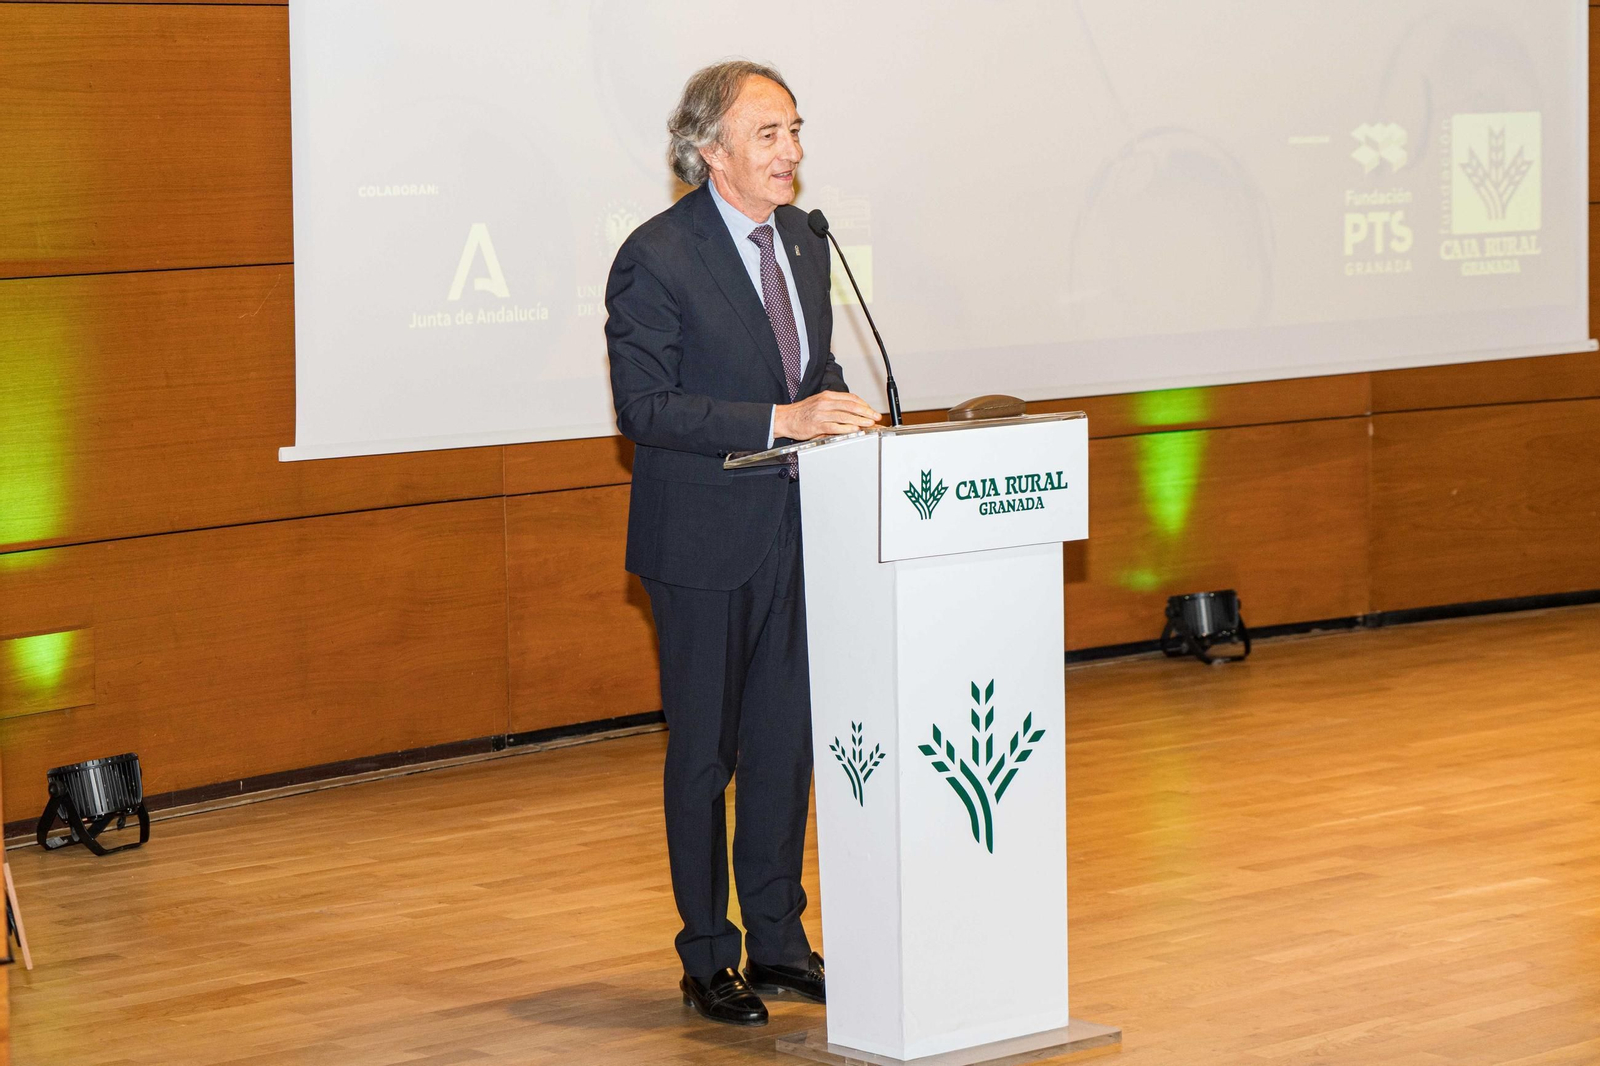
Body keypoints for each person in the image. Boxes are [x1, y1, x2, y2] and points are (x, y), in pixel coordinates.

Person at [604, 60, 879, 1026]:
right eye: (768, 135)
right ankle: (705, 955)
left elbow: (809, 368)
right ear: (709, 151)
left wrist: (842, 411)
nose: (792, 152)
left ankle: (777, 942)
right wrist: (782, 420)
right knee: (706, 756)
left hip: (802, 532)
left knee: (782, 747)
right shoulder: (657, 256)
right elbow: (646, 407)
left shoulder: (802, 244)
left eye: (795, 130)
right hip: (703, 543)